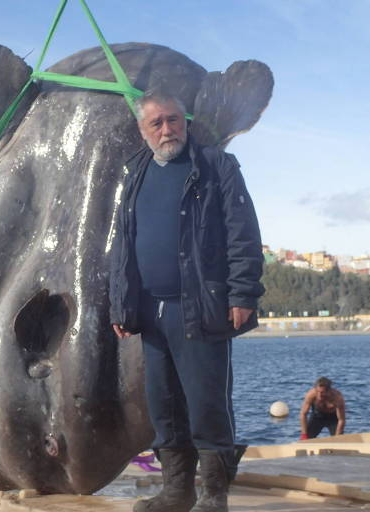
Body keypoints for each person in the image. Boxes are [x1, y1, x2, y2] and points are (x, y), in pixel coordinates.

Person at [110, 90, 264, 512]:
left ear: (186, 122)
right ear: (142, 131)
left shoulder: (216, 166)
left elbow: (243, 233)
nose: (166, 129)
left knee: (206, 402)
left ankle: (214, 495)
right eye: (156, 123)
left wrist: (243, 292)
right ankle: (177, 492)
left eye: (173, 120)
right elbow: (122, 244)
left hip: (202, 306)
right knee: (164, 407)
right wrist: (120, 304)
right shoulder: (135, 173)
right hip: (151, 311)